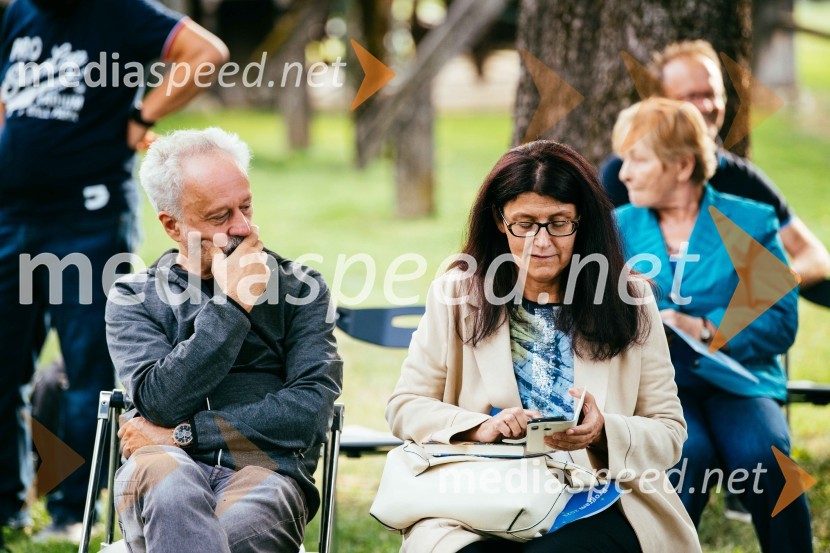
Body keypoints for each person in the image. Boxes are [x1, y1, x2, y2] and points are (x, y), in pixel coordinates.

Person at [386, 140, 700, 553]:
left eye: (558, 222)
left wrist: (604, 431)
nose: (542, 241)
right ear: (499, 220)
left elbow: (670, 433)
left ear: (582, 221)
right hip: (479, 496)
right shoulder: (457, 293)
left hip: (600, 497)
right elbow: (405, 406)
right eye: (525, 223)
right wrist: (480, 427)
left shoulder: (631, 300)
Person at [0, 0, 228, 540]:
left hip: (87, 217)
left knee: (87, 370)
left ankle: (70, 511)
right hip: (10, 215)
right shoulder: (18, 16)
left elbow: (206, 52)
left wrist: (140, 117)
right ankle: (7, 504)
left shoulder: (121, 12)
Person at [104, 127, 343, 552]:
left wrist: (182, 434)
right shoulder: (134, 298)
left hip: (264, 468)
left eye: (246, 206)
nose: (243, 226)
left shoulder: (301, 288)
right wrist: (232, 306)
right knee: (172, 488)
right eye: (220, 217)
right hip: (159, 466)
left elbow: (307, 413)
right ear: (172, 225)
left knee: (243, 522)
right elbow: (159, 400)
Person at [612, 97, 812, 552]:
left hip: (740, 382)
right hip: (658, 392)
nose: (622, 174)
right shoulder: (616, 229)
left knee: (766, 458)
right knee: (685, 456)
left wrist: (703, 327)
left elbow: (780, 322)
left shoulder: (749, 220)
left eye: (637, 159)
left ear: (682, 165)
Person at [600, 39, 830, 289]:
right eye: (691, 96)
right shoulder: (623, 176)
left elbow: (813, 256)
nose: (706, 106)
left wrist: (765, 292)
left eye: (712, 94)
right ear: (661, 103)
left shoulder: (741, 179)